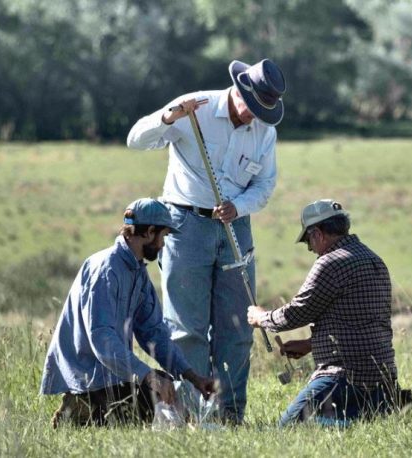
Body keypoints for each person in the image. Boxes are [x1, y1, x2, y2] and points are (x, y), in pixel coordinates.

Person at [125, 59, 286, 424]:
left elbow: (265, 186)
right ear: (240, 90)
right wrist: (167, 118)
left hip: (236, 228)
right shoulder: (193, 108)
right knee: (186, 328)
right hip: (185, 226)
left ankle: (228, 416)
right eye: (253, 107)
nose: (254, 117)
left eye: (265, 110)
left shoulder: (264, 131)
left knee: (237, 327)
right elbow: (135, 139)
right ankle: (189, 416)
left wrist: (238, 206)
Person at [40, 198, 216, 428]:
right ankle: (78, 408)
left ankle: (94, 411)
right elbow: (102, 340)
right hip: (87, 376)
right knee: (150, 399)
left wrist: (193, 377)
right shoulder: (107, 270)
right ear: (149, 232)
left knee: (164, 388)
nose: (163, 244)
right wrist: (149, 377)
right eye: (162, 236)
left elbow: (155, 334)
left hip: (113, 374)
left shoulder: (137, 272)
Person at [247, 199, 412, 427]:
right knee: (361, 422)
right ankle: (369, 417)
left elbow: (296, 313)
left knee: (288, 428)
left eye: (308, 241)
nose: (310, 248)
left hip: (343, 378)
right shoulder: (374, 260)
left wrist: (261, 318)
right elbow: (361, 321)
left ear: (317, 234)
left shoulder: (330, 262)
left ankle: (347, 425)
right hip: (383, 380)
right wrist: (310, 344)